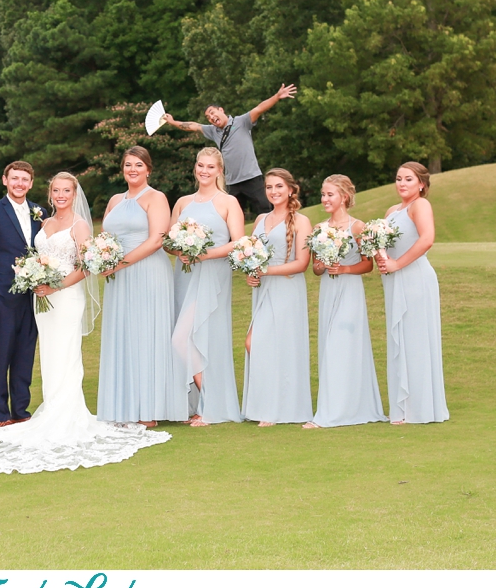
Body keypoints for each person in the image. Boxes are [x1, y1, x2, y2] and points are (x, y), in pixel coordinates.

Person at [0, 173, 171, 474]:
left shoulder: (80, 225)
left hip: (67, 299)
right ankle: (52, 408)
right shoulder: (43, 222)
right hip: (42, 301)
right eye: (56, 190)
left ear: (74, 194)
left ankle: (67, 414)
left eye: (66, 190)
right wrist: (36, 277)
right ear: (50, 193)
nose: (61, 195)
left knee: (66, 353)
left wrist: (56, 286)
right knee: (49, 355)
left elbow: (87, 267)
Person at [97, 147, 187, 426]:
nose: (132, 169)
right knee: (123, 333)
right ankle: (123, 406)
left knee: (147, 333)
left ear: (148, 169)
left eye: (138, 164)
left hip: (147, 272)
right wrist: (102, 256)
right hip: (119, 277)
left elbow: (157, 239)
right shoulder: (114, 199)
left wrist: (120, 262)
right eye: (127, 165)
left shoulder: (156, 197)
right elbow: (104, 236)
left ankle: (149, 409)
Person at [165, 147, 245, 426]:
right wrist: (180, 251)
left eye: (211, 167)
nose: (204, 171)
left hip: (212, 275)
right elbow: (168, 240)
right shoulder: (182, 202)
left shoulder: (227, 202)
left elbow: (238, 242)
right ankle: (199, 405)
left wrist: (203, 253)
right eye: (201, 165)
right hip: (185, 274)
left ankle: (212, 404)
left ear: (219, 171)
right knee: (189, 339)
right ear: (195, 167)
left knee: (185, 337)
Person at [305, 175, 387, 429]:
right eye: (323, 194)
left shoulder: (357, 227)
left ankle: (342, 412)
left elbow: (367, 264)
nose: (325, 199)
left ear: (345, 197)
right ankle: (333, 408)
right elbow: (316, 269)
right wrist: (321, 265)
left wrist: (344, 270)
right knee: (329, 348)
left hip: (350, 291)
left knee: (345, 346)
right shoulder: (319, 229)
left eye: (330, 194)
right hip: (329, 292)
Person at [376, 162, 449, 425]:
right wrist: (382, 258)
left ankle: (419, 408)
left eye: (408, 179)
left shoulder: (421, 206)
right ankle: (402, 406)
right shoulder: (392, 211)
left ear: (421, 184)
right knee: (400, 341)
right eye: (398, 178)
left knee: (416, 338)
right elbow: (379, 242)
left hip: (416, 278)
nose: (402, 183)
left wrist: (397, 263)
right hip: (394, 280)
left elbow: (427, 239)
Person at [0, 161, 44, 428]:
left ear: (31, 183)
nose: (19, 184)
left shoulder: (40, 212)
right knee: (2, 355)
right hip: (3, 295)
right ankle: (1, 414)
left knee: (25, 353)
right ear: (5, 180)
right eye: (15, 178)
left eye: (25, 179)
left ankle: (21, 410)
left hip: (34, 296)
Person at [243, 168, 313, 427]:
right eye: (269, 187)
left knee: (268, 344)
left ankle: (275, 409)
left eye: (279, 187)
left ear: (291, 190)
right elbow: (251, 254)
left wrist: (266, 270)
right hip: (264, 288)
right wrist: (252, 274)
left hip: (287, 288)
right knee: (258, 344)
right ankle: (266, 405)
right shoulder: (260, 219)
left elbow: (301, 263)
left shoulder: (300, 221)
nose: (274, 191)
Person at [163, 84, 297, 217]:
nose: (211, 118)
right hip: (232, 183)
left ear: (221, 110)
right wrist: (172, 122)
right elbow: (193, 126)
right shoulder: (212, 131)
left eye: (212, 112)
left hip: (251, 177)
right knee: (231, 217)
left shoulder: (241, 122)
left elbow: (259, 108)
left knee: (265, 211)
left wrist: (277, 96)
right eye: (208, 117)